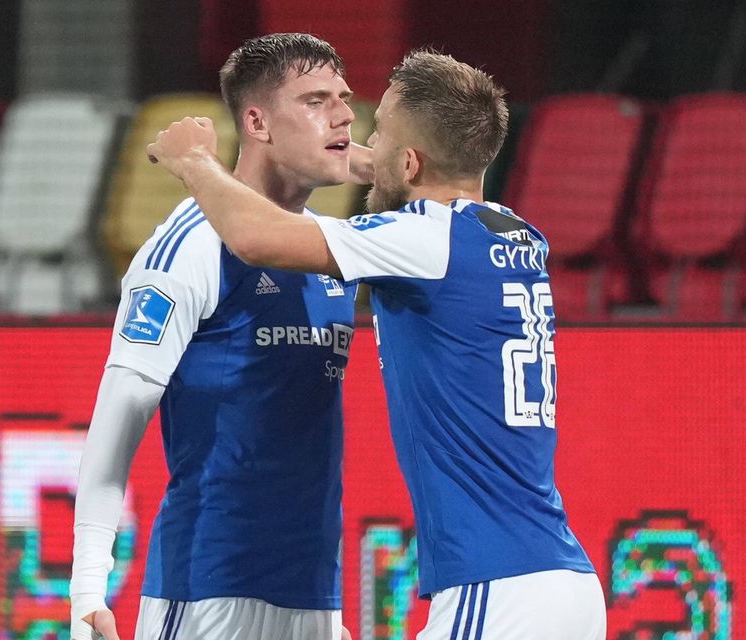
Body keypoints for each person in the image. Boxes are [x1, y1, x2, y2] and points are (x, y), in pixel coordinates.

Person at [147, 49, 607, 640]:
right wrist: (379, 162)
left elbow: (256, 237)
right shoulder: (514, 233)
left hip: (498, 590)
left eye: (379, 132)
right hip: (565, 582)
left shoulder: (421, 240)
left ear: (410, 160)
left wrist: (194, 162)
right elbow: (422, 176)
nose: (363, 141)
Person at [70, 33, 360, 640]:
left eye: (344, 98)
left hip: (315, 598)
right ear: (256, 122)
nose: (343, 115)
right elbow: (118, 419)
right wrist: (87, 590)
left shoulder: (332, 249)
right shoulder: (191, 244)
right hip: (206, 594)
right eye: (315, 101)